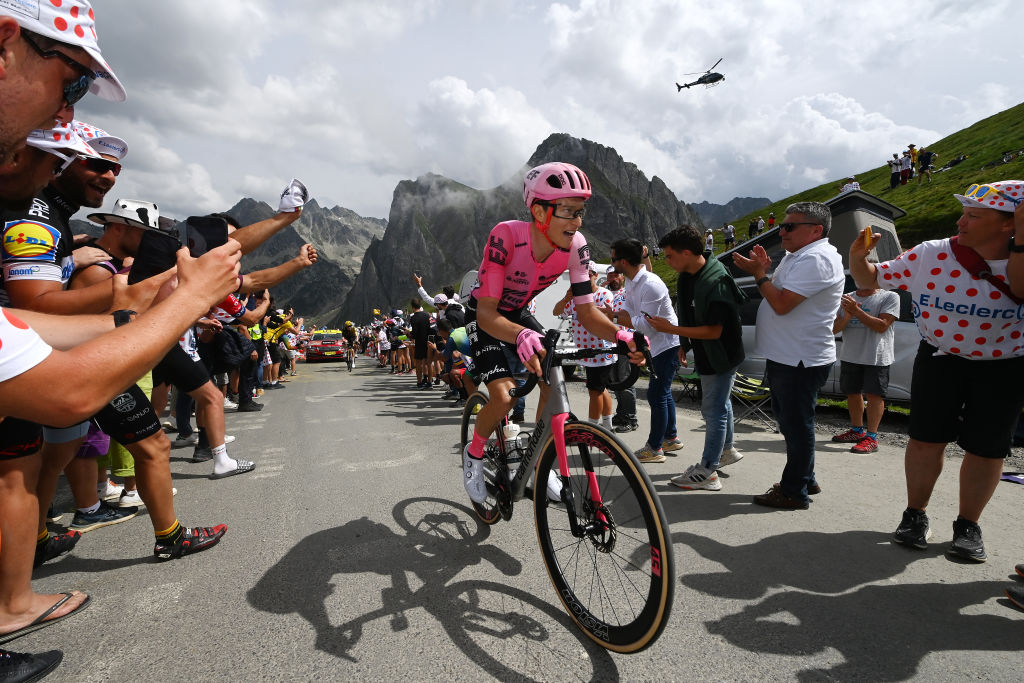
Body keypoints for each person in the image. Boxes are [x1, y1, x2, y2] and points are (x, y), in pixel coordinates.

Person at [850, 180, 1024, 562]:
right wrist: (858, 258)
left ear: (1010, 224)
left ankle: (968, 525)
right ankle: (915, 516)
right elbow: (869, 281)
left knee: (987, 449)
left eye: (974, 216)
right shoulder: (932, 253)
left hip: (1004, 365)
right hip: (939, 358)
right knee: (926, 439)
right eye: (963, 212)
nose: (961, 222)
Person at [461, 162, 642, 503]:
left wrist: (622, 335)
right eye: (568, 212)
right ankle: (473, 454)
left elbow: (587, 312)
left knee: (553, 378)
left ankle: (539, 461)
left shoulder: (577, 246)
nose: (577, 222)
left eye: (580, 212)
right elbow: (487, 313)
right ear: (539, 211)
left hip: (516, 313)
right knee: (503, 396)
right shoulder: (507, 236)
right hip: (484, 316)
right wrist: (518, 336)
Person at [732, 201, 844, 509]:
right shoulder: (801, 255)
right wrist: (764, 272)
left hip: (800, 357)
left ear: (815, 230)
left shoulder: (817, 259)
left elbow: (781, 304)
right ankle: (805, 478)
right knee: (791, 421)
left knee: (796, 424)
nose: (781, 231)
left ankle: (794, 491)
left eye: (790, 226)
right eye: (782, 225)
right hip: (790, 355)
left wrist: (758, 275)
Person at [647, 226, 746, 490]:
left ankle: (708, 471)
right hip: (705, 351)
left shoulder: (716, 281)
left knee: (712, 411)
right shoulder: (688, 275)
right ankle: (727, 451)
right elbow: (689, 314)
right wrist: (684, 342)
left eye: (669, 256)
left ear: (687, 253)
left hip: (721, 355)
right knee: (720, 406)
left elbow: (715, 331)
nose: (666, 261)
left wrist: (671, 330)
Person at [609, 238, 682, 464]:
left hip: (666, 344)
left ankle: (655, 448)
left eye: (613, 260)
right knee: (664, 392)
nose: (611, 265)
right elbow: (630, 309)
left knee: (656, 394)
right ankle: (670, 437)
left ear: (624, 261)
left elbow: (647, 323)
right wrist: (618, 314)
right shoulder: (632, 280)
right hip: (657, 344)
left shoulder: (650, 283)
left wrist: (617, 317)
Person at [830, 286, 900, 454]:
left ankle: (871, 437)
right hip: (850, 355)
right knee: (852, 393)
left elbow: (882, 325)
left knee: (874, 395)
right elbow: (834, 329)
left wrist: (855, 310)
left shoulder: (890, 296)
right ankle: (856, 430)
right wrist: (848, 315)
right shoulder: (846, 297)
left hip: (876, 357)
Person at [553, 265, 616, 429]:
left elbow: (609, 317)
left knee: (594, 391)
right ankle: (608, 427)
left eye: (588, 275)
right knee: (600, 389)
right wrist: (567, 298)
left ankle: (592, 429)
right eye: (580, 277)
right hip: (586, 351)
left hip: (601, 349)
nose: (584, 279)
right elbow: (556, 311)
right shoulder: (574, 297)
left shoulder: (604, 294)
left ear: (595, 276)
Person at [599, 266, 638, 432]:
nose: (613, 278)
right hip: (609, 341)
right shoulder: (604, 293)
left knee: (625, 378)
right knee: (614, 380)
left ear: (622, 277)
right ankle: (621, 413)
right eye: (610, 276)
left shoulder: (628, 293)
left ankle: (630, 418)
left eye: (616, 275)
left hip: (625, 341)